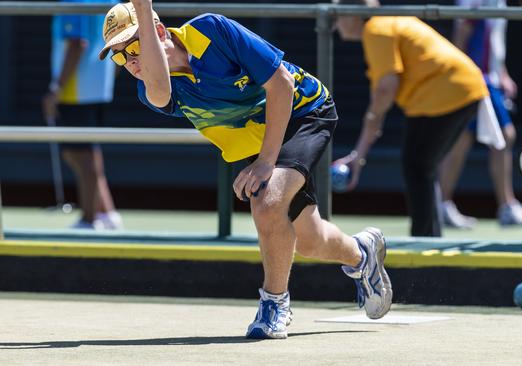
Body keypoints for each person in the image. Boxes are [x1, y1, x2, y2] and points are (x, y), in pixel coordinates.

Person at [98, 1, 392, 339]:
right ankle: (362, 254)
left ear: (158, 32)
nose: (131, 61)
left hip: (302, 111)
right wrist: (264, 158)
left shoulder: (212, 29)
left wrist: (267, 162)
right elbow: (160, 87)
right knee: (309, 241)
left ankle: (274, 303)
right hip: (255, 141)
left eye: (134, 47)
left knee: (267, 202)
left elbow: (281, 82)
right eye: (120, 57)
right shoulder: (152, 91)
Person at [333, 0, 489, 237]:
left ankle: (425, 239)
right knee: (419, 165)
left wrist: (362, 147)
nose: (334, 25)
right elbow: (384, 93)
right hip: (449, 92)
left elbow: (386, 88)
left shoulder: (376, 28)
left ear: (352, 15)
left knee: (417, 166)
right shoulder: (383, 24)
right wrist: (359, 155)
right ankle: (428, 237)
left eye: (337, 17)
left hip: (448, 92)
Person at [439, 0, 522, 228]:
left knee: (464, 139)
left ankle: (442, 204)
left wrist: (502, 73)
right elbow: (464, 31)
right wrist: (459, 75)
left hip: (487, 78)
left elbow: (492, 39)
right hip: (477, 78)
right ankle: (506, 205)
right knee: (504, 135)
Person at [42, 0, 122, 230]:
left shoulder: (73, 1)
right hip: (99, 88)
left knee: (81, 155)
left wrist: (56, 89)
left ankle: (89, 219)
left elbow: (78, 44)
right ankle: (107, 213)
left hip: (76, 90)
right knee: (89, 152)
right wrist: (108, 78)